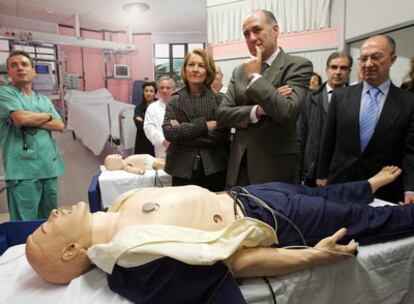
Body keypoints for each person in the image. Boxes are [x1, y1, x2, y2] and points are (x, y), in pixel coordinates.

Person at [26, 166, 414, 291]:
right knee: (369, 220)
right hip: (266, 220)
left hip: (248, 193)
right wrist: (313, 255)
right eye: (47, 229)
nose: (51, 217)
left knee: (322, 194)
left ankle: (368, 186)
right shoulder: (132, 257)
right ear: (70, 251)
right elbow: (234, 264)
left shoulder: (117, 208)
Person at [216, 10, 313, 187]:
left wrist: (255, 77)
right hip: (239, 166)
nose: (251, 38)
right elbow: (223, 113)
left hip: (274, 168)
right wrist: (259, 110)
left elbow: (287, 111)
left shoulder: (297, 65)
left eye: (257, 30)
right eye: (246, 34)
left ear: (275, 30)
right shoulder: (239, 71)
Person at [317, 35, 414, 204]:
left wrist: (410, 188)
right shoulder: (341, 97)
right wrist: (322, 175)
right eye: (363, 58)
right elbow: (328, 139)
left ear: (392, 59)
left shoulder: (408, 102)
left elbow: (410, 151)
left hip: (386, 189)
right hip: (341, 183)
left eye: (376, 57)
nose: (368, 64)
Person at [0, 50, 65, 220]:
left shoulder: (43, 100)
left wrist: (33, 118)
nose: (20, 68)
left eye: (24, 64)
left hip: (48, 167)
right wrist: (47, 116)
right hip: (22, 171)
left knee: (49, 222)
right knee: (24, 224)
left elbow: (59, 125)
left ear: (33, 71)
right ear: (9, 72)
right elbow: (20, 118)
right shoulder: (4, 93)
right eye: (14, 65)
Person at [162, 49, 230, 191]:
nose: (195, 69)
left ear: (208, 70)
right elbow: (169, 133)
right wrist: (204, 126)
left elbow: (221, 135)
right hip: (182, 169)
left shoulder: (219, 100)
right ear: (185, 69)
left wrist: (182, 130)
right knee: (183, 212)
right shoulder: (175, 100)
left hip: (214, 168)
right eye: (191, 64)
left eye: (201, 65)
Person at [297, 52, 352, 186]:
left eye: (343, 68)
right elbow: (301, 136)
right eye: (334, 67)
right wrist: (299, 170)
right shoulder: (310, 99)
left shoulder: (356, 100)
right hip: (312, 171)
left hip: (344, 173)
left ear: (349, 71)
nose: (338, 72)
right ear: (327, 70)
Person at [144, 77, 175, 158]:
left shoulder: (182, 106)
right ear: (158, 90)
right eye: (162, 88)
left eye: (168, 88)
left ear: (173, 89)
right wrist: (163, 141)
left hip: (182, 151)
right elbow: (148, 128)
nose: (164, 91)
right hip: (162, 152)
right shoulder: (152, 108)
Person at [133, 81, 156, 155]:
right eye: (146, 91)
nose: (148, 93)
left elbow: (162, 123)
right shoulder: (138, 108)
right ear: (143, 92)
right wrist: (153, 124)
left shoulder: (160, 105)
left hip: (156, 140)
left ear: (155, 92)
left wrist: (144, 122)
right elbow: (139, 126)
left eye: (151, 91)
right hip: (142, 141)